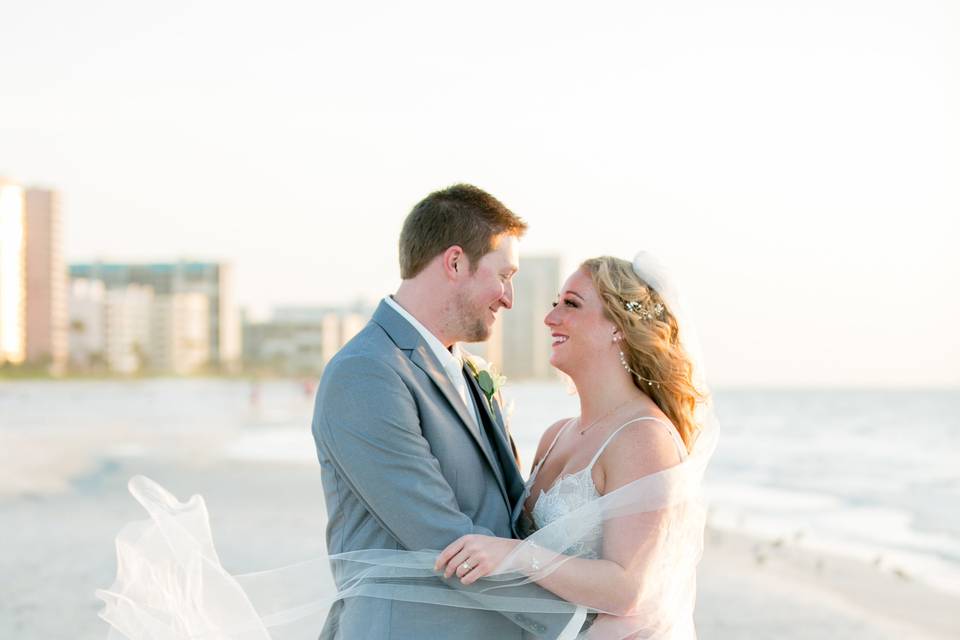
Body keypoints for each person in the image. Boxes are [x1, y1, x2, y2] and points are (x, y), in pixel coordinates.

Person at [311, 184, 576, 639]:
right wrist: (582, 622)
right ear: (455, 262)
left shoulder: (465, 369)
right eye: (504, 275)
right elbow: (445, 542)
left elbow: (506, 522)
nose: (509, 298)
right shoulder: (366, 374)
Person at [433, 254, 717, 639]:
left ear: (618, 327)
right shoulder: (555, 436)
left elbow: (626, 589)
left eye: (571, 304)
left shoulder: (643, 437)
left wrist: (513, 556)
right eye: (554, 304)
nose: (550, 318)